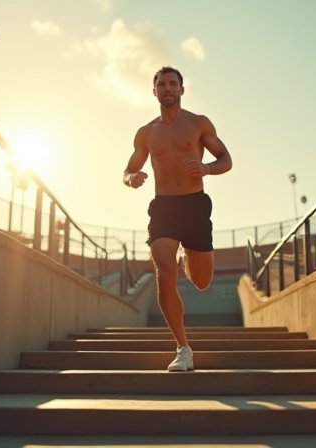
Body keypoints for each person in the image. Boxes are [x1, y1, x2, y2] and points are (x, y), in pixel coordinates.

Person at [122, 66, 232, 372]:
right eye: (161, 84)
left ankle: (188, 255)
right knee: (163, 272)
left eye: (173, 84)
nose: (167, 88)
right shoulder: (146, 133)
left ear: (182, 90)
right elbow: (127, 169)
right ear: (154, 91)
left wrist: (207, 169)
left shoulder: (198, 124)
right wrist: (132, 178)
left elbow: (226, 159)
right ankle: (183, 347)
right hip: (164, 209)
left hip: (195, 206)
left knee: (200, 281)